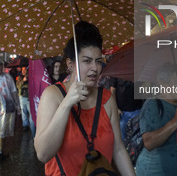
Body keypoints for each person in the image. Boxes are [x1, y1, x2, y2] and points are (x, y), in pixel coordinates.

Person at [34, 21, 135, 176]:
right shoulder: (52, 95)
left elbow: (118, 149)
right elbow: (43, 154)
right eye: (87, 61)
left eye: (98, 61)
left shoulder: (107, 99)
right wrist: (67, 103)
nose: (95, 67)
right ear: (70, 64)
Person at [135, 62, 177, 176]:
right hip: (155, 171)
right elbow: (149, 142)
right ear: (163, 84)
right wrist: (175, 122)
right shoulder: (153, 105)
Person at [16, 66, 36, 136]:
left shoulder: (31, 77)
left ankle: (32, 124)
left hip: (29, 97)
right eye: (23, 70)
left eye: (25, 70)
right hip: (22, 97)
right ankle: (25, 125)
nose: (24, 71)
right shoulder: (20, 78)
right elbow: (18, 86)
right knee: (24, 112)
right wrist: (23, 81)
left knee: (31, 112)